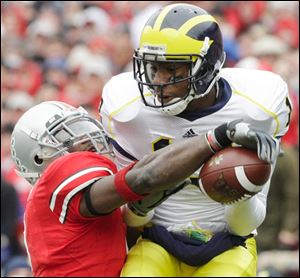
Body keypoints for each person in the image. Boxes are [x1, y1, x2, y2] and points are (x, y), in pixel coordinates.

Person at [99, 3, 292, 277]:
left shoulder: (257, 106)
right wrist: (141, 204)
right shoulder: (127, 110)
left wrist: (241, 187)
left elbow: (243, 226)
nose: (158, 82)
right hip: (156, 239)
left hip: (229, 243)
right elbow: (128, 218)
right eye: (153, 68)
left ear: (207, 68)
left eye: (173, 69)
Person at [10, 101, 278, 276]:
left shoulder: (60, 203)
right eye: (67, 134)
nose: (84, 137)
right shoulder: (58, 176)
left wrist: (139, 211)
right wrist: (217, 137)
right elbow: (143, 178)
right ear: (40, 158)